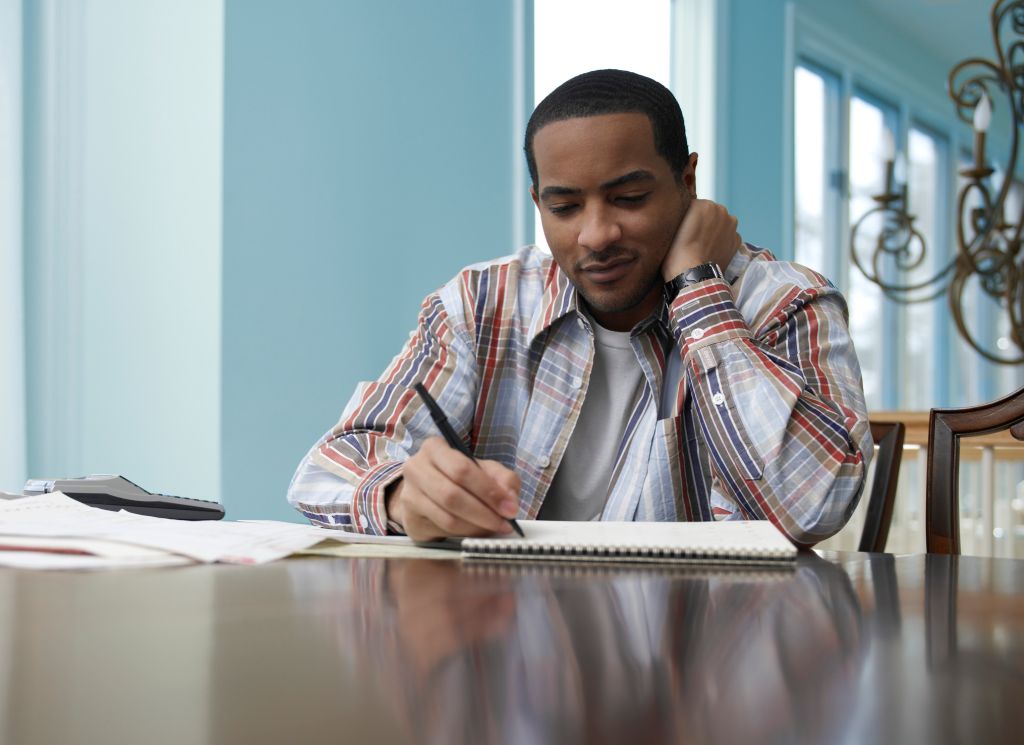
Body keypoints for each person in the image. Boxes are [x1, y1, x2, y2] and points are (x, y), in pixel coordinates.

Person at [288, 69, 871, 545]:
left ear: (688, 179)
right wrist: (401, 496)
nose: (596, 234)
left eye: (630, 198)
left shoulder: (785, 303)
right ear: (537, 203)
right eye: (564, 208)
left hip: (700, 660)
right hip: (512, 656)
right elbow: (328, 467)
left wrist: (697, 289)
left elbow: (813, 505)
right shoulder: (482, 305)